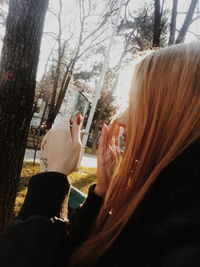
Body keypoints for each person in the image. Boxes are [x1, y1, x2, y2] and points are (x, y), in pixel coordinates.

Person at [0, 42, 200, 267]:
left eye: (135, 104)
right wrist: (101, 196)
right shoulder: (163, 203)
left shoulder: (186, 246)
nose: (122, 119)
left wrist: (51, 180)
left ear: (173, 117)